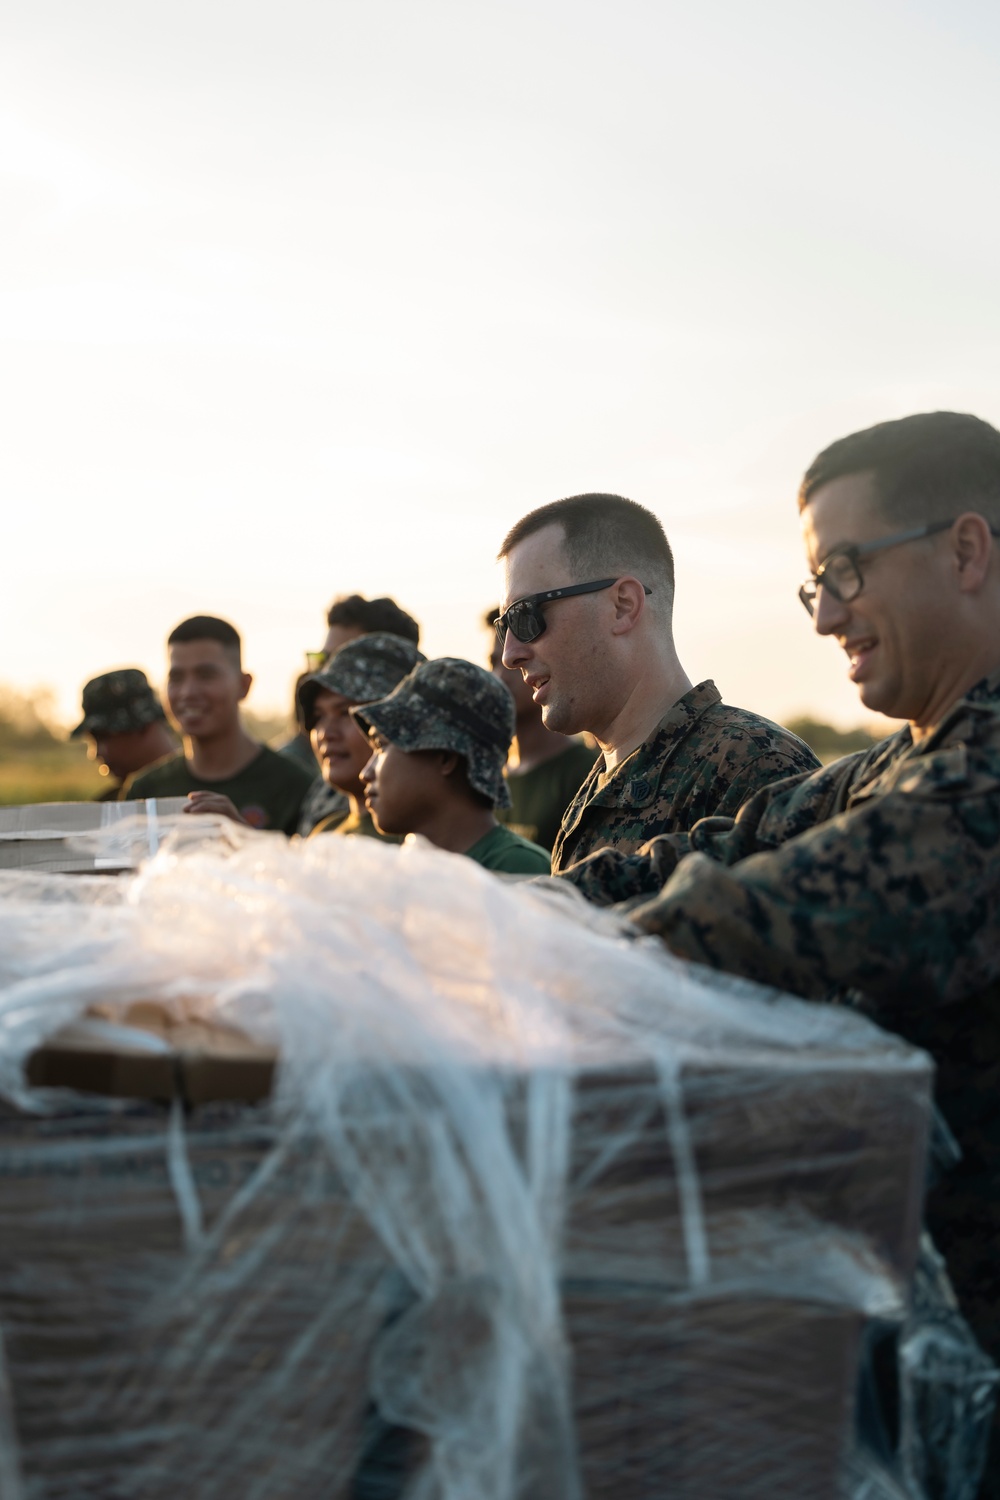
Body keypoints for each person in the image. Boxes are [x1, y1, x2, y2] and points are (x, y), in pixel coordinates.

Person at [573, 413, 1000, 1488]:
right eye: (817, 586)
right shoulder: (903, 761)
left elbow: (748, 919)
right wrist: (481, 910)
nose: (827, 619)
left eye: (845, 573)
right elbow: (715, 850)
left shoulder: (979, 780)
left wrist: (523, 964)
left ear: (965, 549)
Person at [496, 493, 818, 880]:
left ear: (623, 605)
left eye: (525, 616)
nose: (510, 654)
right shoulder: (597, 787)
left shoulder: (755, 769)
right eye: (505, 628)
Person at [355, 658, 551, 874]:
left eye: (382, 746)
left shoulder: (517, 869)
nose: (366, 773)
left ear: (446, 757)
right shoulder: (402, 867)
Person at [121, 616, 314, 834]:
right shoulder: (146, 791)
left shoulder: (296, 787)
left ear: (244, 685)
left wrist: (244, 839)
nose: (188, 692)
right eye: (176, 678)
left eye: (206, 676)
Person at [484, 607, 597, 851]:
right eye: (493, 662)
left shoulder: (584, 773)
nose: (499, 676)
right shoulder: (487, 777)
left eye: (514, 662)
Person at [297, 632, 426, 839]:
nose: (326, 733)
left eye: (346, 713)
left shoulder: (426, 840)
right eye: (319, 715)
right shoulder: (326, 831)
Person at [70, 669, 176, 801]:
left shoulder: (200, 796)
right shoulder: (110, 808)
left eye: (103, 738)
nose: (95, 754)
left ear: (143, 726)